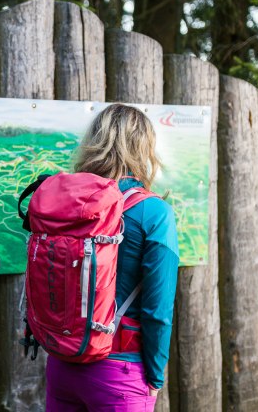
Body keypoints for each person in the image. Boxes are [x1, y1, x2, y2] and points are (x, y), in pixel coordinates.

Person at [45, 103, 180, 411]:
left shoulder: (64, 202)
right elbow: (158, 310)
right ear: (143, 148)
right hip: (119, 372)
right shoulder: (152, 211)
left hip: (62, 363)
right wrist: (155, 378)